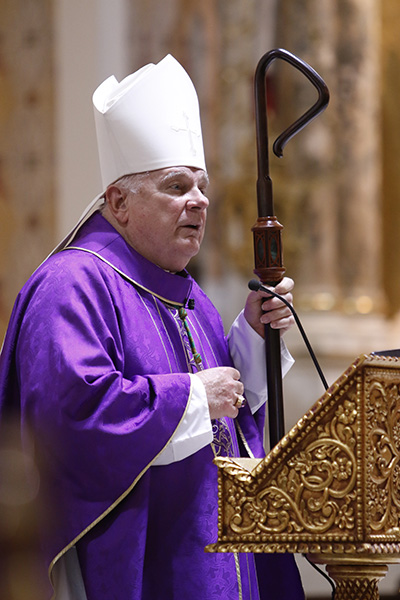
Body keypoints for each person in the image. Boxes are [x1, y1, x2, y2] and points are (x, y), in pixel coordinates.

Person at [0, 55, 304, 599]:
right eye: (176, 185)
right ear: (118, 201)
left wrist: (254, 339)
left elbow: (224, 411)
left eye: (202, 185)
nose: (200, 201)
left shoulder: (187, 294)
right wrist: (192, 397)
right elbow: (71, 422)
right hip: (142, 568)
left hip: (210, 556)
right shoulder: (73, 284)